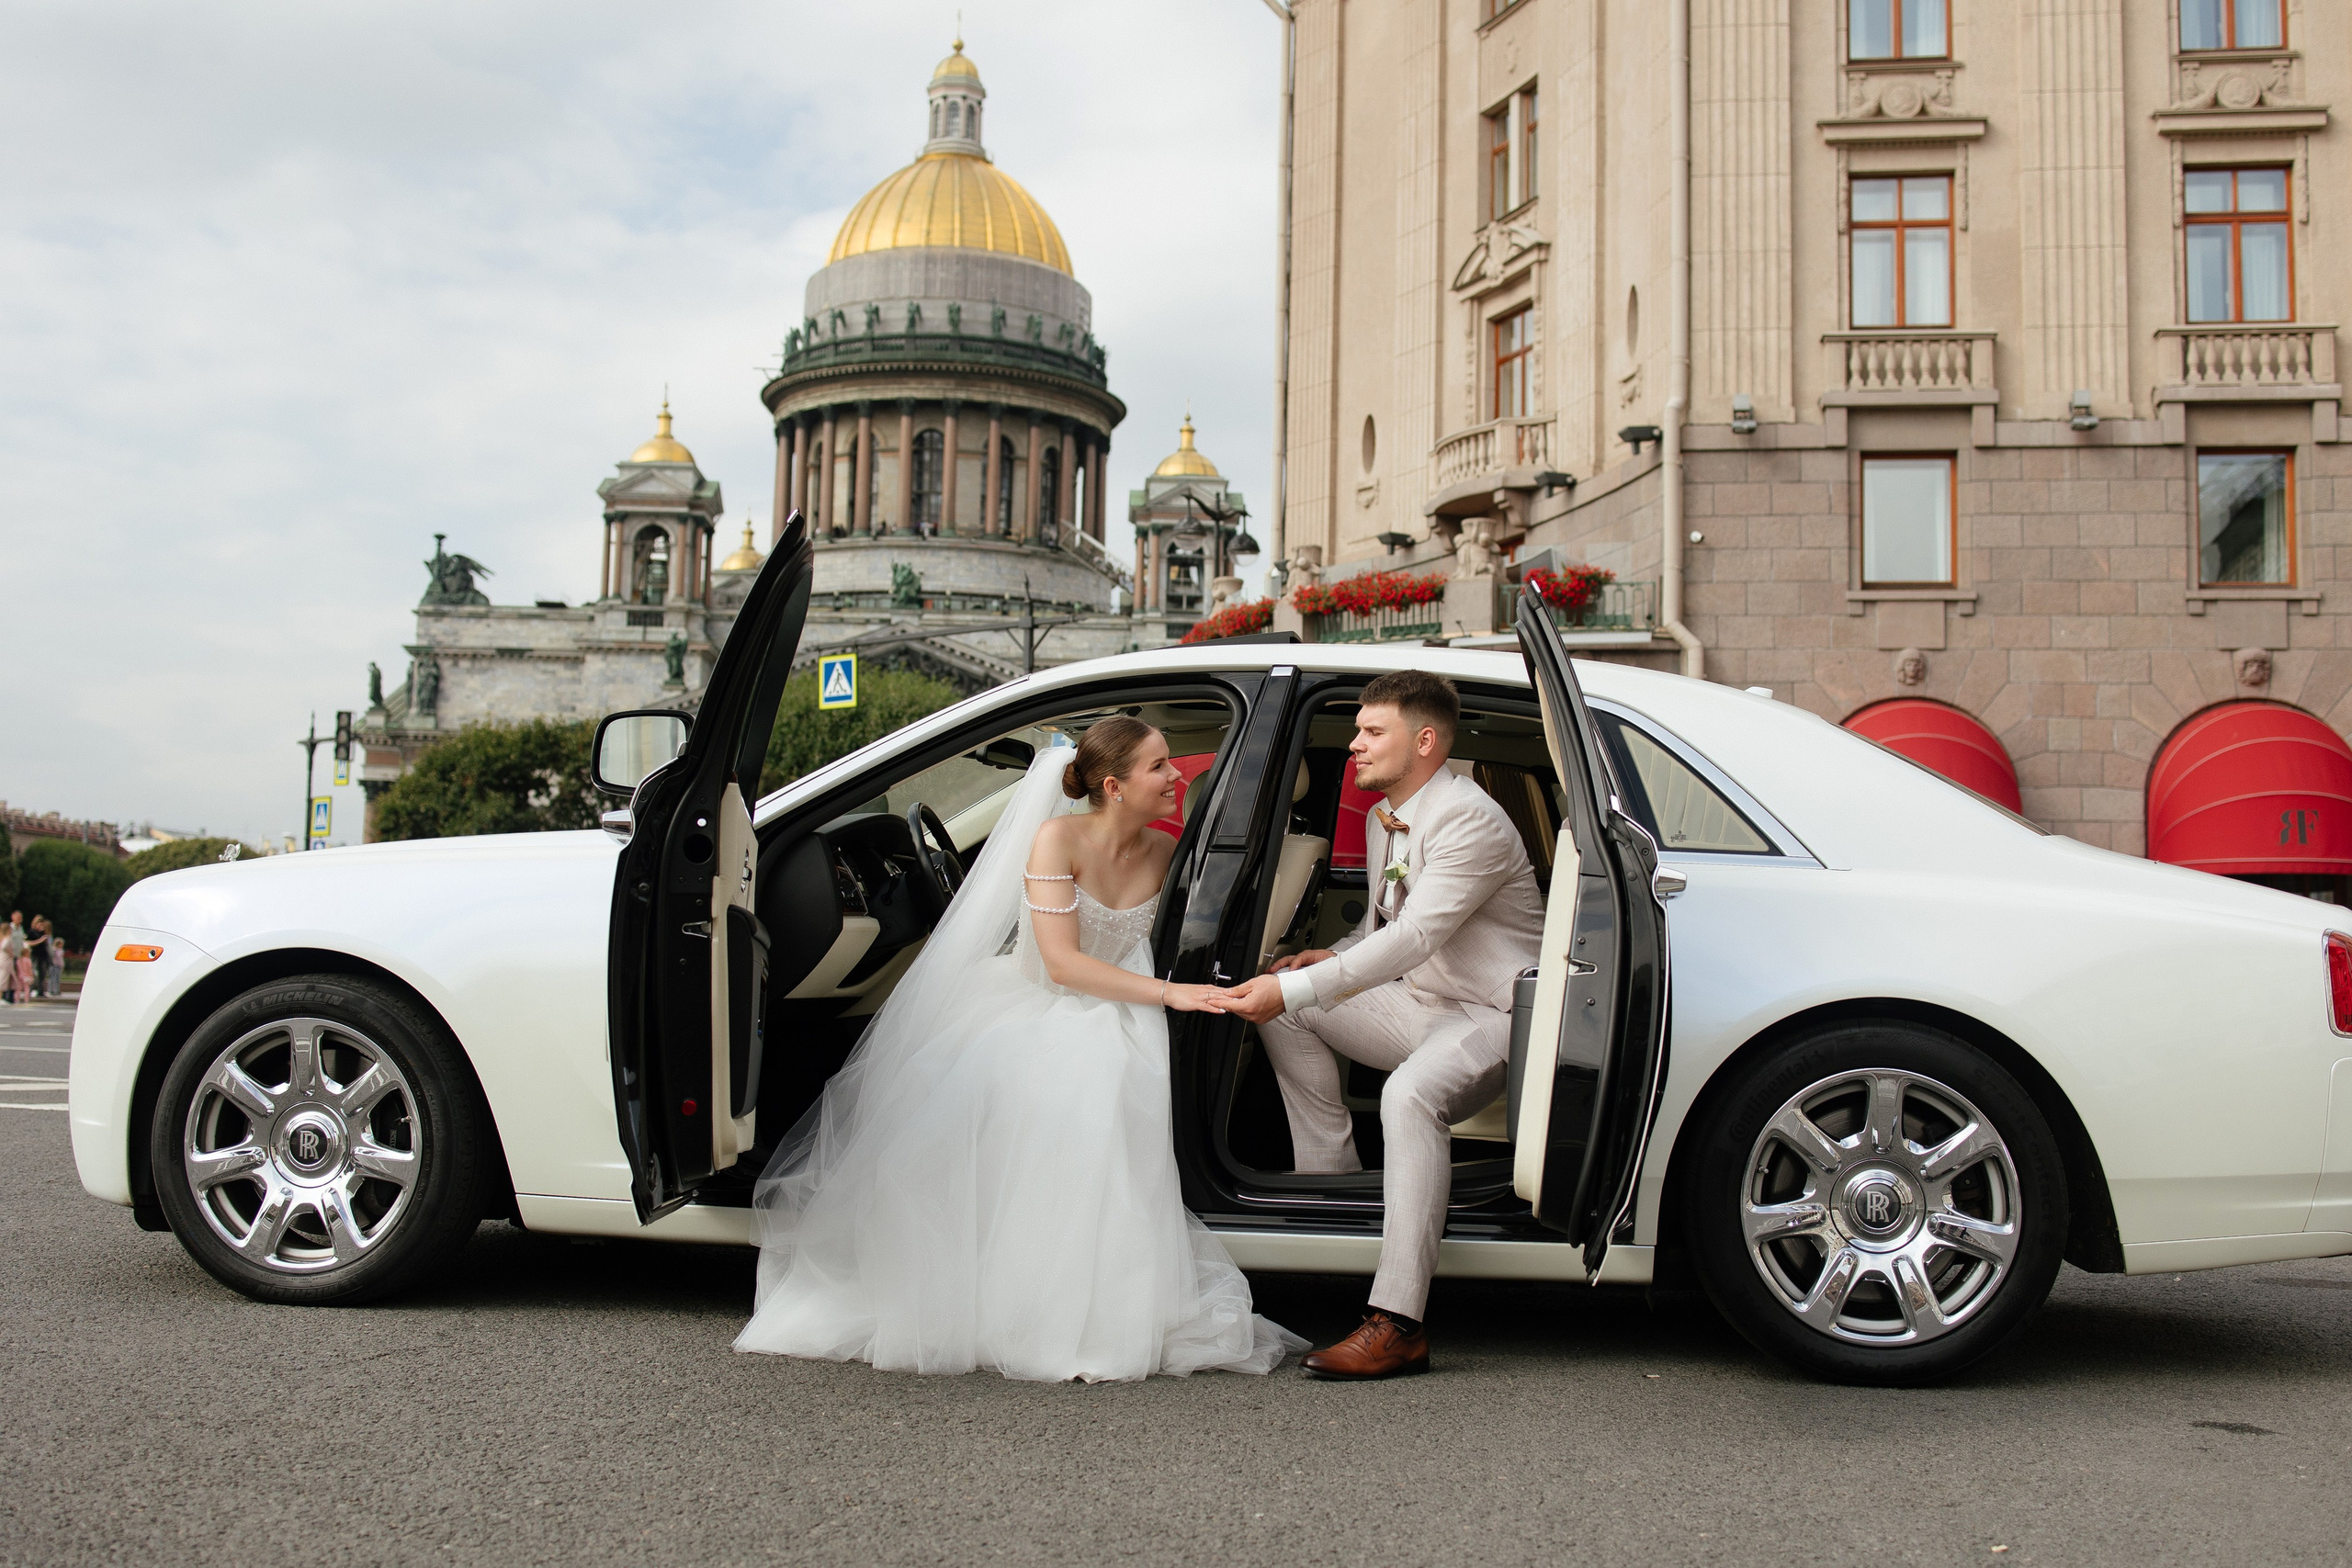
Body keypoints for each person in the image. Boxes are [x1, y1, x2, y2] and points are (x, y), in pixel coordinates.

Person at [737, 719, 1306, 1382]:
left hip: (1126, 1008)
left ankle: (1089, 1299)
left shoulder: (1163, 853)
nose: (1179, 776)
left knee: (1107, 1078)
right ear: (1115, 786)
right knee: (1061, 1074)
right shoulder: (1054, 838)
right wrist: (1169, 995)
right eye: (1161, 767)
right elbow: (1062, 966)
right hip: (1045, 1001)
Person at [1220, 671, 1545, 1380]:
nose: (1355, 745)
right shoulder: (1382, 817)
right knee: (1291, 996)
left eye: (1373, 732)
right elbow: (1380, 928)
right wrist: (1317, 963)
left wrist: (1306, 981)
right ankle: (1329, 1190)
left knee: (1407, 1095)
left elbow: (1415, 937)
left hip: (1493, 1013)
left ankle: (1399, 1324)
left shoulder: (1469, 817)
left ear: (1424, 741)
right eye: (1358, 730)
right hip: (1422, 1004)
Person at [0, 912, 26, 1006]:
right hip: (8, 957)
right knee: (5, 977)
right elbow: (4, 945)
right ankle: (4, 997)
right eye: (18, 917)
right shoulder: (9, 929)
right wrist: (11, 953)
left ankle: (10, 997)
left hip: (16, 956)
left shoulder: (20, 929)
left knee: (13, 978)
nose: (20, 919)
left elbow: (21, 941)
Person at [24, 918, 51, 1003]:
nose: (41, 926)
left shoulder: (42, 933)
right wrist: (40, 940)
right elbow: (28, 943)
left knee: (42, 973)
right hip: (35, 955)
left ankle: (41, 991)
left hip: (43, 955)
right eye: (40, 924)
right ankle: (33, 989)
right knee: (35, 973)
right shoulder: (31, 932)